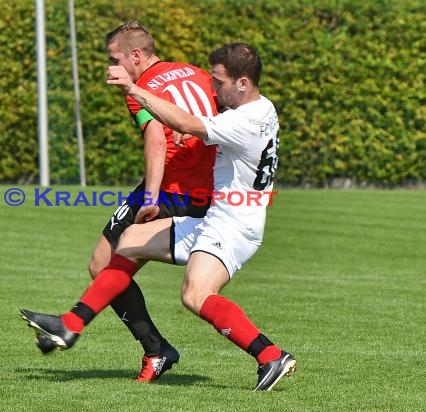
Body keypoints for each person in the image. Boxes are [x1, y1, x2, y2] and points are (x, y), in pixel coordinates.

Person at [21, 42, 296, 391]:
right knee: (130, 241)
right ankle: (71, 324)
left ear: (242, 82)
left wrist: (135, 89)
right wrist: (197, 130)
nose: (212, 88)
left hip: (233, 227)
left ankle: (270, 355)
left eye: (218, 81)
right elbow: (210, 128)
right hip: (220, 218)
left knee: (196, 295)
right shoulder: (261, 108)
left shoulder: (243, 122)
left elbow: (187, 121)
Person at [34, 22, 218, 382]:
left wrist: (150, 197)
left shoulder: (142, 88)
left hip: (168, 187)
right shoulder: (196, 73)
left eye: (114, 58)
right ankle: (141, 346)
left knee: (103, 264)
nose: (110, 67)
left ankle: (149, 348)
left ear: (136, 56)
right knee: (116, 263)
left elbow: (156, 141)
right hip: (208, 190)